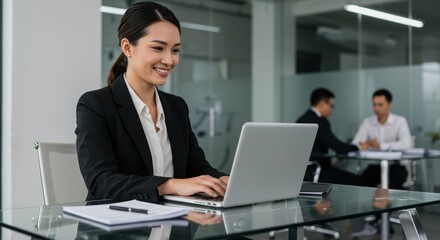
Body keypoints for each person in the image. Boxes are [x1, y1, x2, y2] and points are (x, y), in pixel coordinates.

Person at [75, 1, 229, 204]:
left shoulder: (176, 107)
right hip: (117, 227)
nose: (169, 60)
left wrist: (223, 180)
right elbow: (101, 182)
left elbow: (197, 168)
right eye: (158, 48)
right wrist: (170, 185)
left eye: (175, 50)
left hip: (171, 224)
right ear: (127, 47)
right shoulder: (96, 105)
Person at [297, 88, 361, 185]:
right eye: (331, 106)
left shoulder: (302, 118)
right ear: (322, 103)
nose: (332, 110)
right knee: (359, 181)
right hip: (316, 172)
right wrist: (358, 147)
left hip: (302, 173)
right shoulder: (319, 122)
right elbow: (339, 148)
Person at [352, 89, 411, 189]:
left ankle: (389, 204)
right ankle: (371, 205)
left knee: (394, 185)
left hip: (396, 167)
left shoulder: (400, 121)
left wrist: (380, 146)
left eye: (380, 105)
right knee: (362, 183)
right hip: (374, 167)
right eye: (374, 105)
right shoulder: (367, 122)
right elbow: (355, 143)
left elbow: (406, 144)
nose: (376, 108)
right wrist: (364, 145)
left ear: (389, 104)